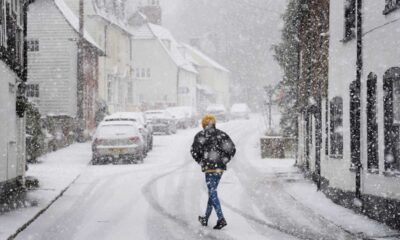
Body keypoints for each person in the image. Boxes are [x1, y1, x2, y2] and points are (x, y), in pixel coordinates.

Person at [191, 114, 236, 230]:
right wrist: (225, 159)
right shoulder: (222, 135)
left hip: (209, 168)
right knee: (212, 192)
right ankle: (205, 218)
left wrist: (201, 161)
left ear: (203, 124)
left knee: (212, 192)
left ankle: (221, 218)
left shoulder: (201, 135)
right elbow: (232, 148)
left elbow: (194, 151)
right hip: (219, 168)